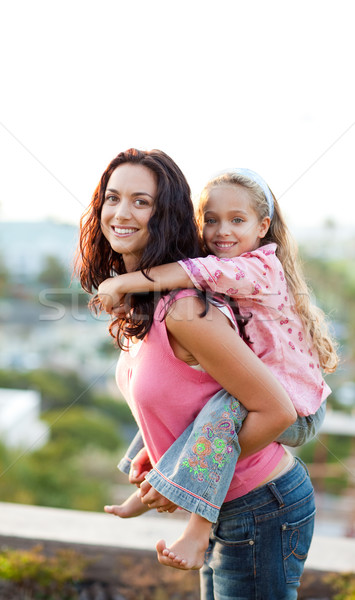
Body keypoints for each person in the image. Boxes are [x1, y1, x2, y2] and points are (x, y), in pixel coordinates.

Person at [78, 148, 316, 599]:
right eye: (112, 197)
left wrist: (185, 481)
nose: (122, 212)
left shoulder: (186, 309)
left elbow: (278, 412)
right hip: (226, 501)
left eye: (141, 201)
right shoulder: (148, 307)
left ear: (166, 213)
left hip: (260, 504)